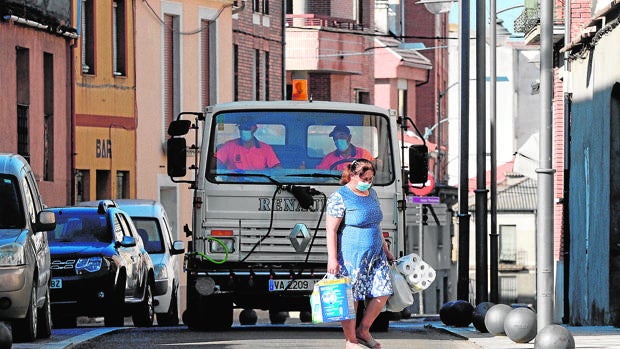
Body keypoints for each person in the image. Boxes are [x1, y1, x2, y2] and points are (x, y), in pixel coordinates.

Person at [325, 158, 395, 349]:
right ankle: (351, 340)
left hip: (376, 255)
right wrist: (332, 259)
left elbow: (376, 223)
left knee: (383, 292)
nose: (368, 182)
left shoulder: (372, 194)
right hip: (351, 257)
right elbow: (331, 229)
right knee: (353, 297)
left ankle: (363, 329)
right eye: (365, 178)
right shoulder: (340, 197)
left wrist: (386, 249)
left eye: (371, 179)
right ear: (353, 175)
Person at [214, 121, 281, 170]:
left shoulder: (266, 148)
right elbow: (214, 163)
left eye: (247, 128)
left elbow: (277, 168)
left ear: (254, 129)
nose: (244, 130)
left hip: (259, 185)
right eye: (242, 128)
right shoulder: (229, 146)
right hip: (233, 185)